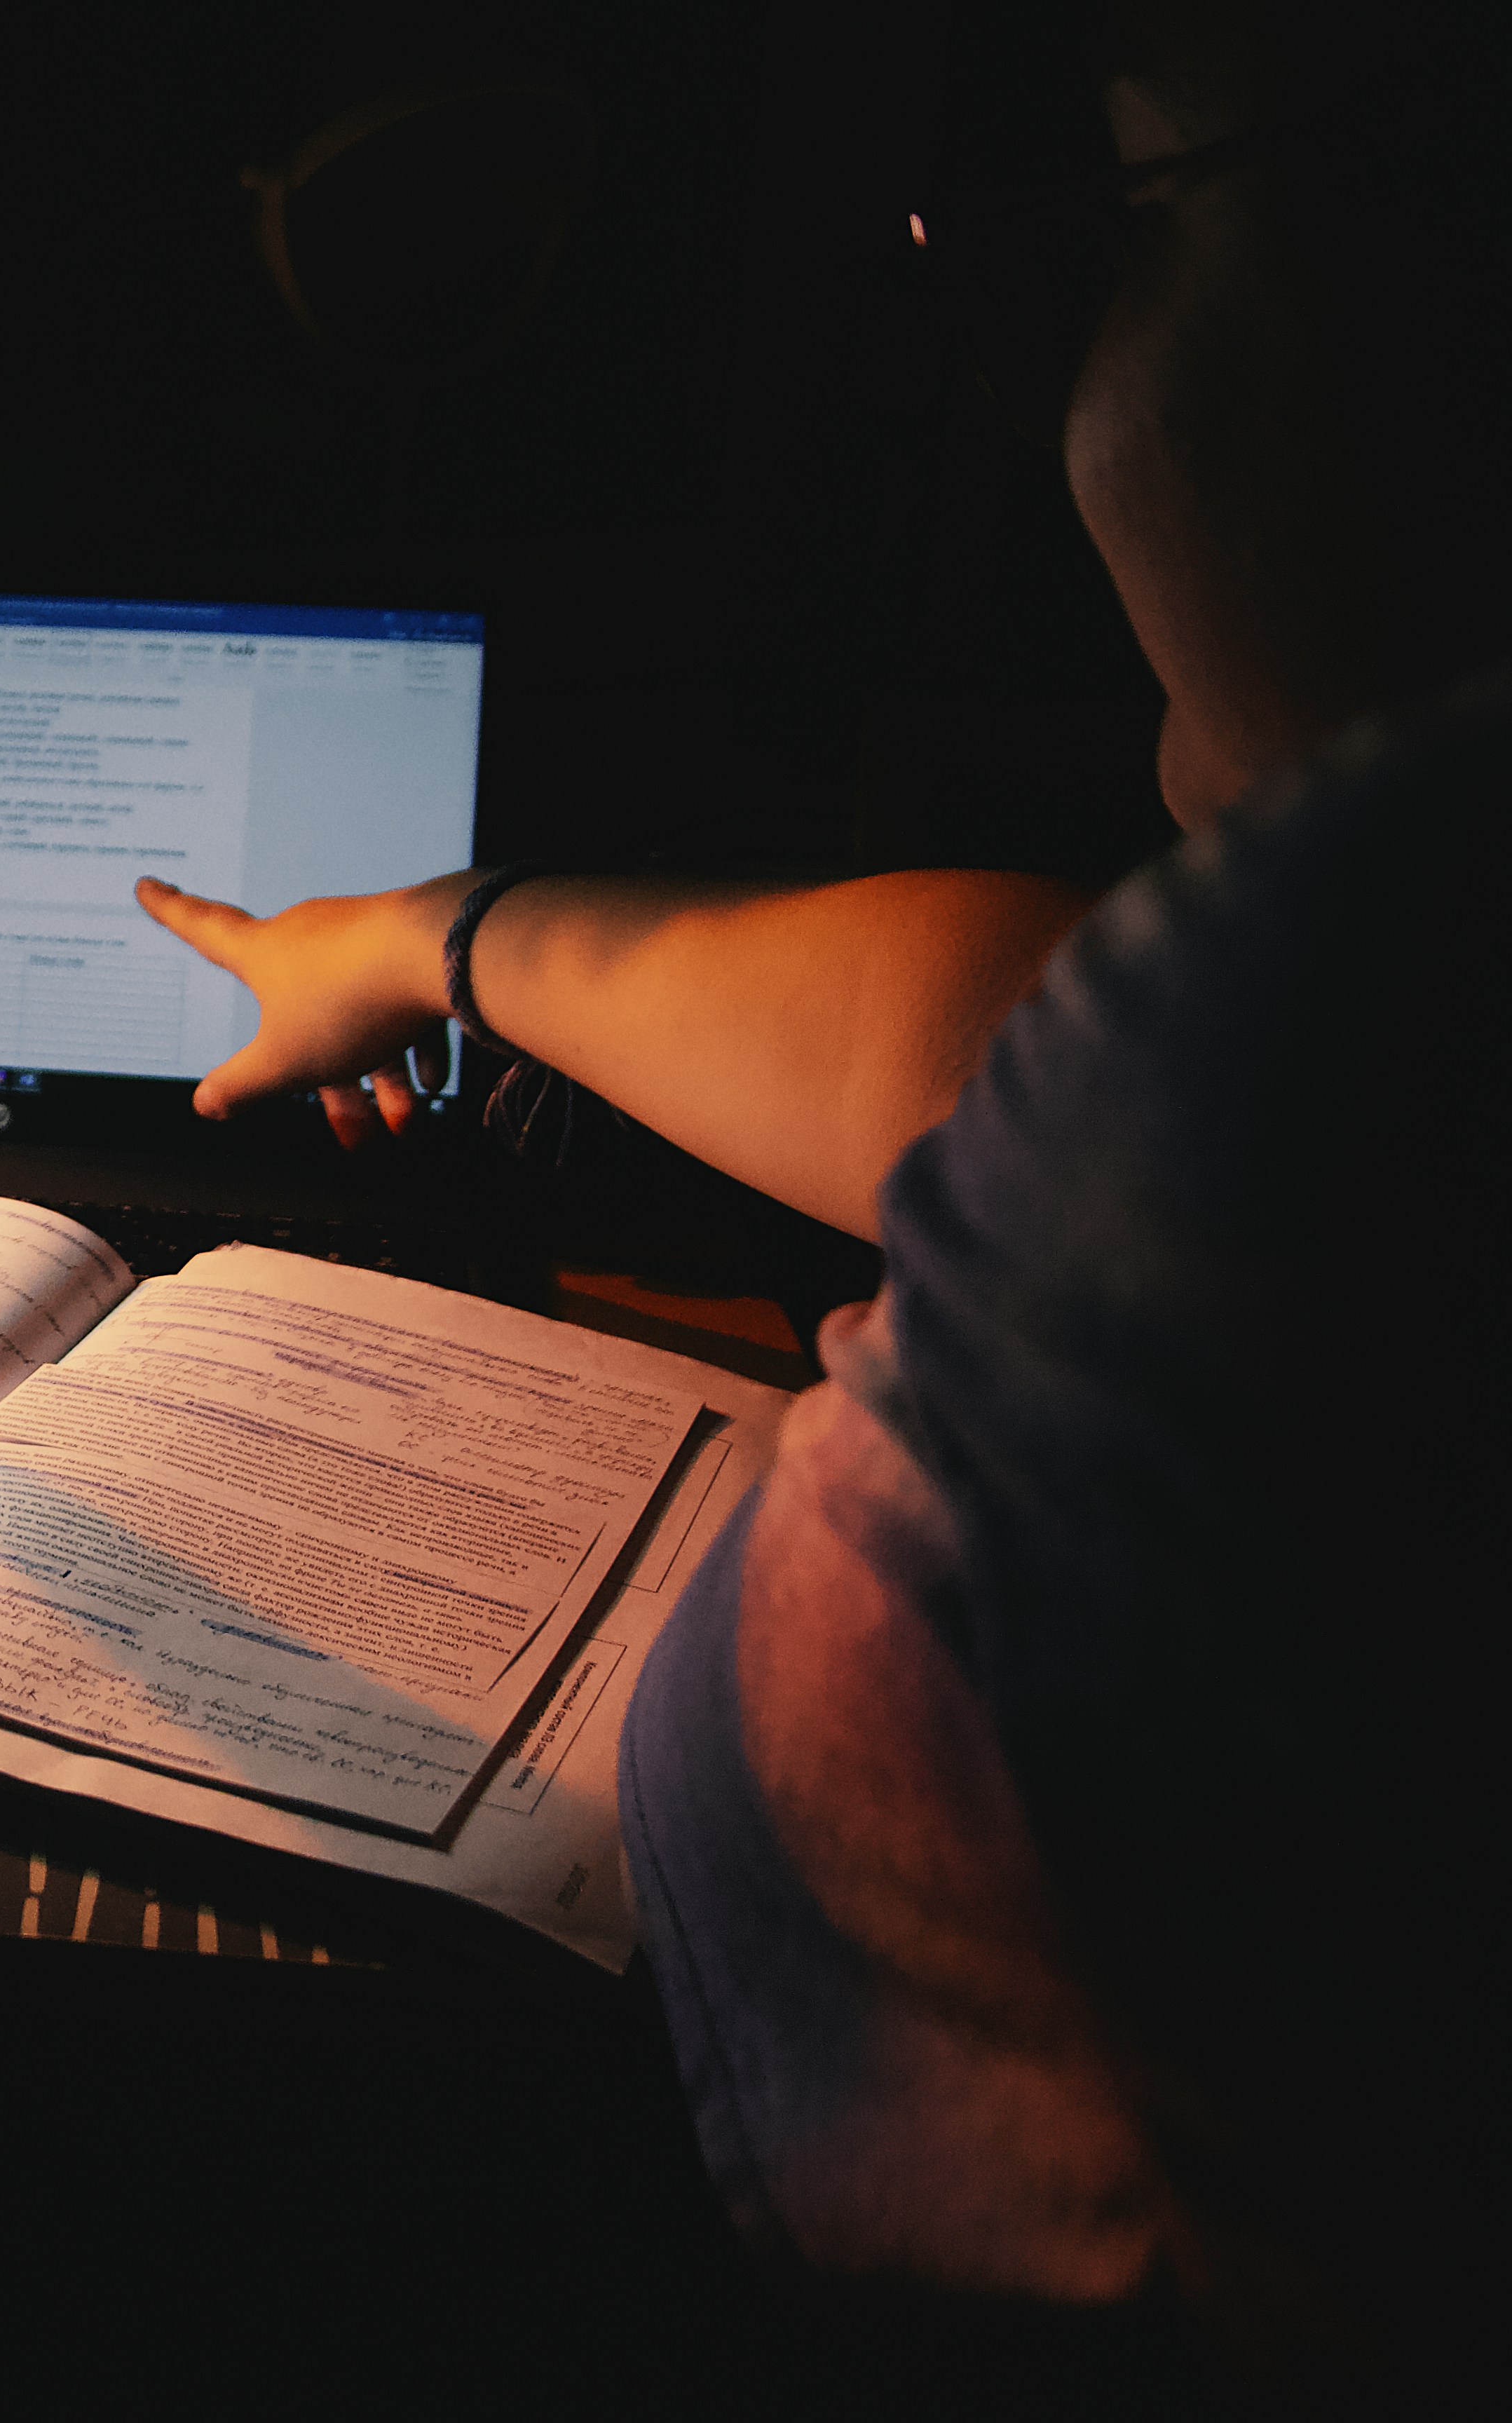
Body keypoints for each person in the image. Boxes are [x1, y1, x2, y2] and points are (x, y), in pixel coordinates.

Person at [130, 0, 1501, 2381]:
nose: (1041, 357)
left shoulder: (1341, 1025)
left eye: (1120, 215)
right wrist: (438, 938)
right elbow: (991, 1040)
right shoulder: (1340, 996)